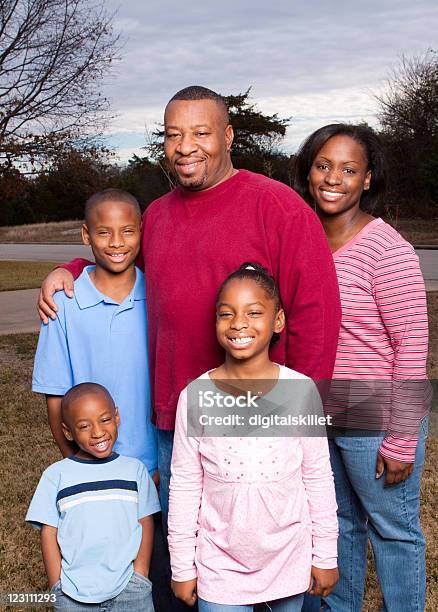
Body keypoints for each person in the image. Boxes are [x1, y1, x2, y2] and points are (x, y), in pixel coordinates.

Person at [36, 87, 342, 543]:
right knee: (183, 551)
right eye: (173, 135)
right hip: (173, 420)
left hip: (255, 419)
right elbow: (120, 266)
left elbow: (317, 317)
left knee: (263, 546)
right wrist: (73, 267)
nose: (185, 146)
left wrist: (293, 417)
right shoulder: (157, 216)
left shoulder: (277, 207)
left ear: (229, 135)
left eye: (201, 132)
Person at [293, 124, 430, 612]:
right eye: (324, 165)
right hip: (316, 409)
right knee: (336, 526)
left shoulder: (385, 248)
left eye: (349, 169)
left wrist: (400, 438)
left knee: (394, 530)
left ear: (367, 179)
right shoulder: (301, 239)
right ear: (307, 172)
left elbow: (412, 343)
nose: (334, 178)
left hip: (376, 410)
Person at [168, 263, 339, 611]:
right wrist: (182, 565)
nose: (239, 323)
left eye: (254, 312)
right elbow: (185, 484)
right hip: (219, 564)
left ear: (278, 321)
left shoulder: (300, 391)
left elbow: (318, 477)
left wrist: (325, 555)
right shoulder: (195, 396)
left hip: (288, 557)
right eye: (226, 314)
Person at [32, 188, 171, 610]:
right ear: (85, 236)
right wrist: (82, 467)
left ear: (142, 233)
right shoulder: (64, 303)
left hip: (157, 469)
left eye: (127, 231)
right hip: (93, 470)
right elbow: (56, 398)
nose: (116, 242)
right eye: (104, 233)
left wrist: (160, 465)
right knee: (97, 577)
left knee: (161, 580)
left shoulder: (160, 296)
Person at [26, 382, 160, 611]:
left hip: (130, 590)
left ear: (116, 416)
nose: (98, 432)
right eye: (84, 426)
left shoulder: (134, 470)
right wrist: (56, 584)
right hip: (73, 595)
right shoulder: (56, 475)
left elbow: (145, 521)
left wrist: (141, 573)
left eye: (105, 420)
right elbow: (49, 532)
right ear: (68, 432)